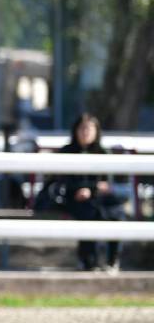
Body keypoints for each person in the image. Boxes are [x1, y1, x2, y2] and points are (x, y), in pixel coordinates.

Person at [57, 113, 125, 272]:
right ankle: (88, 260)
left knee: (116, 213)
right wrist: (80, 189)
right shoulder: (67, 151)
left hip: (98, 198)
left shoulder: (102, 152)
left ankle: (112, 260)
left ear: (96, 131)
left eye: (89, 128)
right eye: (82, 128)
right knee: (89, 212)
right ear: (75, 131)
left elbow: (106, 183)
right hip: (73, 197)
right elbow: (62, 180)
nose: (85, 132)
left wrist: (91, 190)